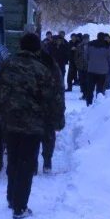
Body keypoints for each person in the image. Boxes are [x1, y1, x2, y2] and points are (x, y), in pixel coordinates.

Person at [0, 32, 65, 219]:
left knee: (13, 159)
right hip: (33, 125)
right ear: (37, 48)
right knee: (27, 163)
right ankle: (20, 207)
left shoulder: (6, 65)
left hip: (9, 122)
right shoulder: (42, 70)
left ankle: (11, 197)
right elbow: (53, 98)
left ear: (20, 46)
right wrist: (57, 122)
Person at [37, 45, 64, 174]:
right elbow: (59, 91)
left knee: (31, 136)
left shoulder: (25, 64)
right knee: (48, 136)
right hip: (49, 108)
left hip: (30, 108)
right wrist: (59, 115)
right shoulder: (52, 65)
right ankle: (47, 161)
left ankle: (32, 163)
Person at [84, 32, 110, 106]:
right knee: (100, 89)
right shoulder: (107, 46)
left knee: (90, 89)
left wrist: (89, 62)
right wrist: (109, 64)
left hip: (91, 70)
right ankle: (98, 105)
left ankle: (89, 103)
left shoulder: (90, 44)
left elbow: (85, 55)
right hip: (103, 71)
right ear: (103, 38)